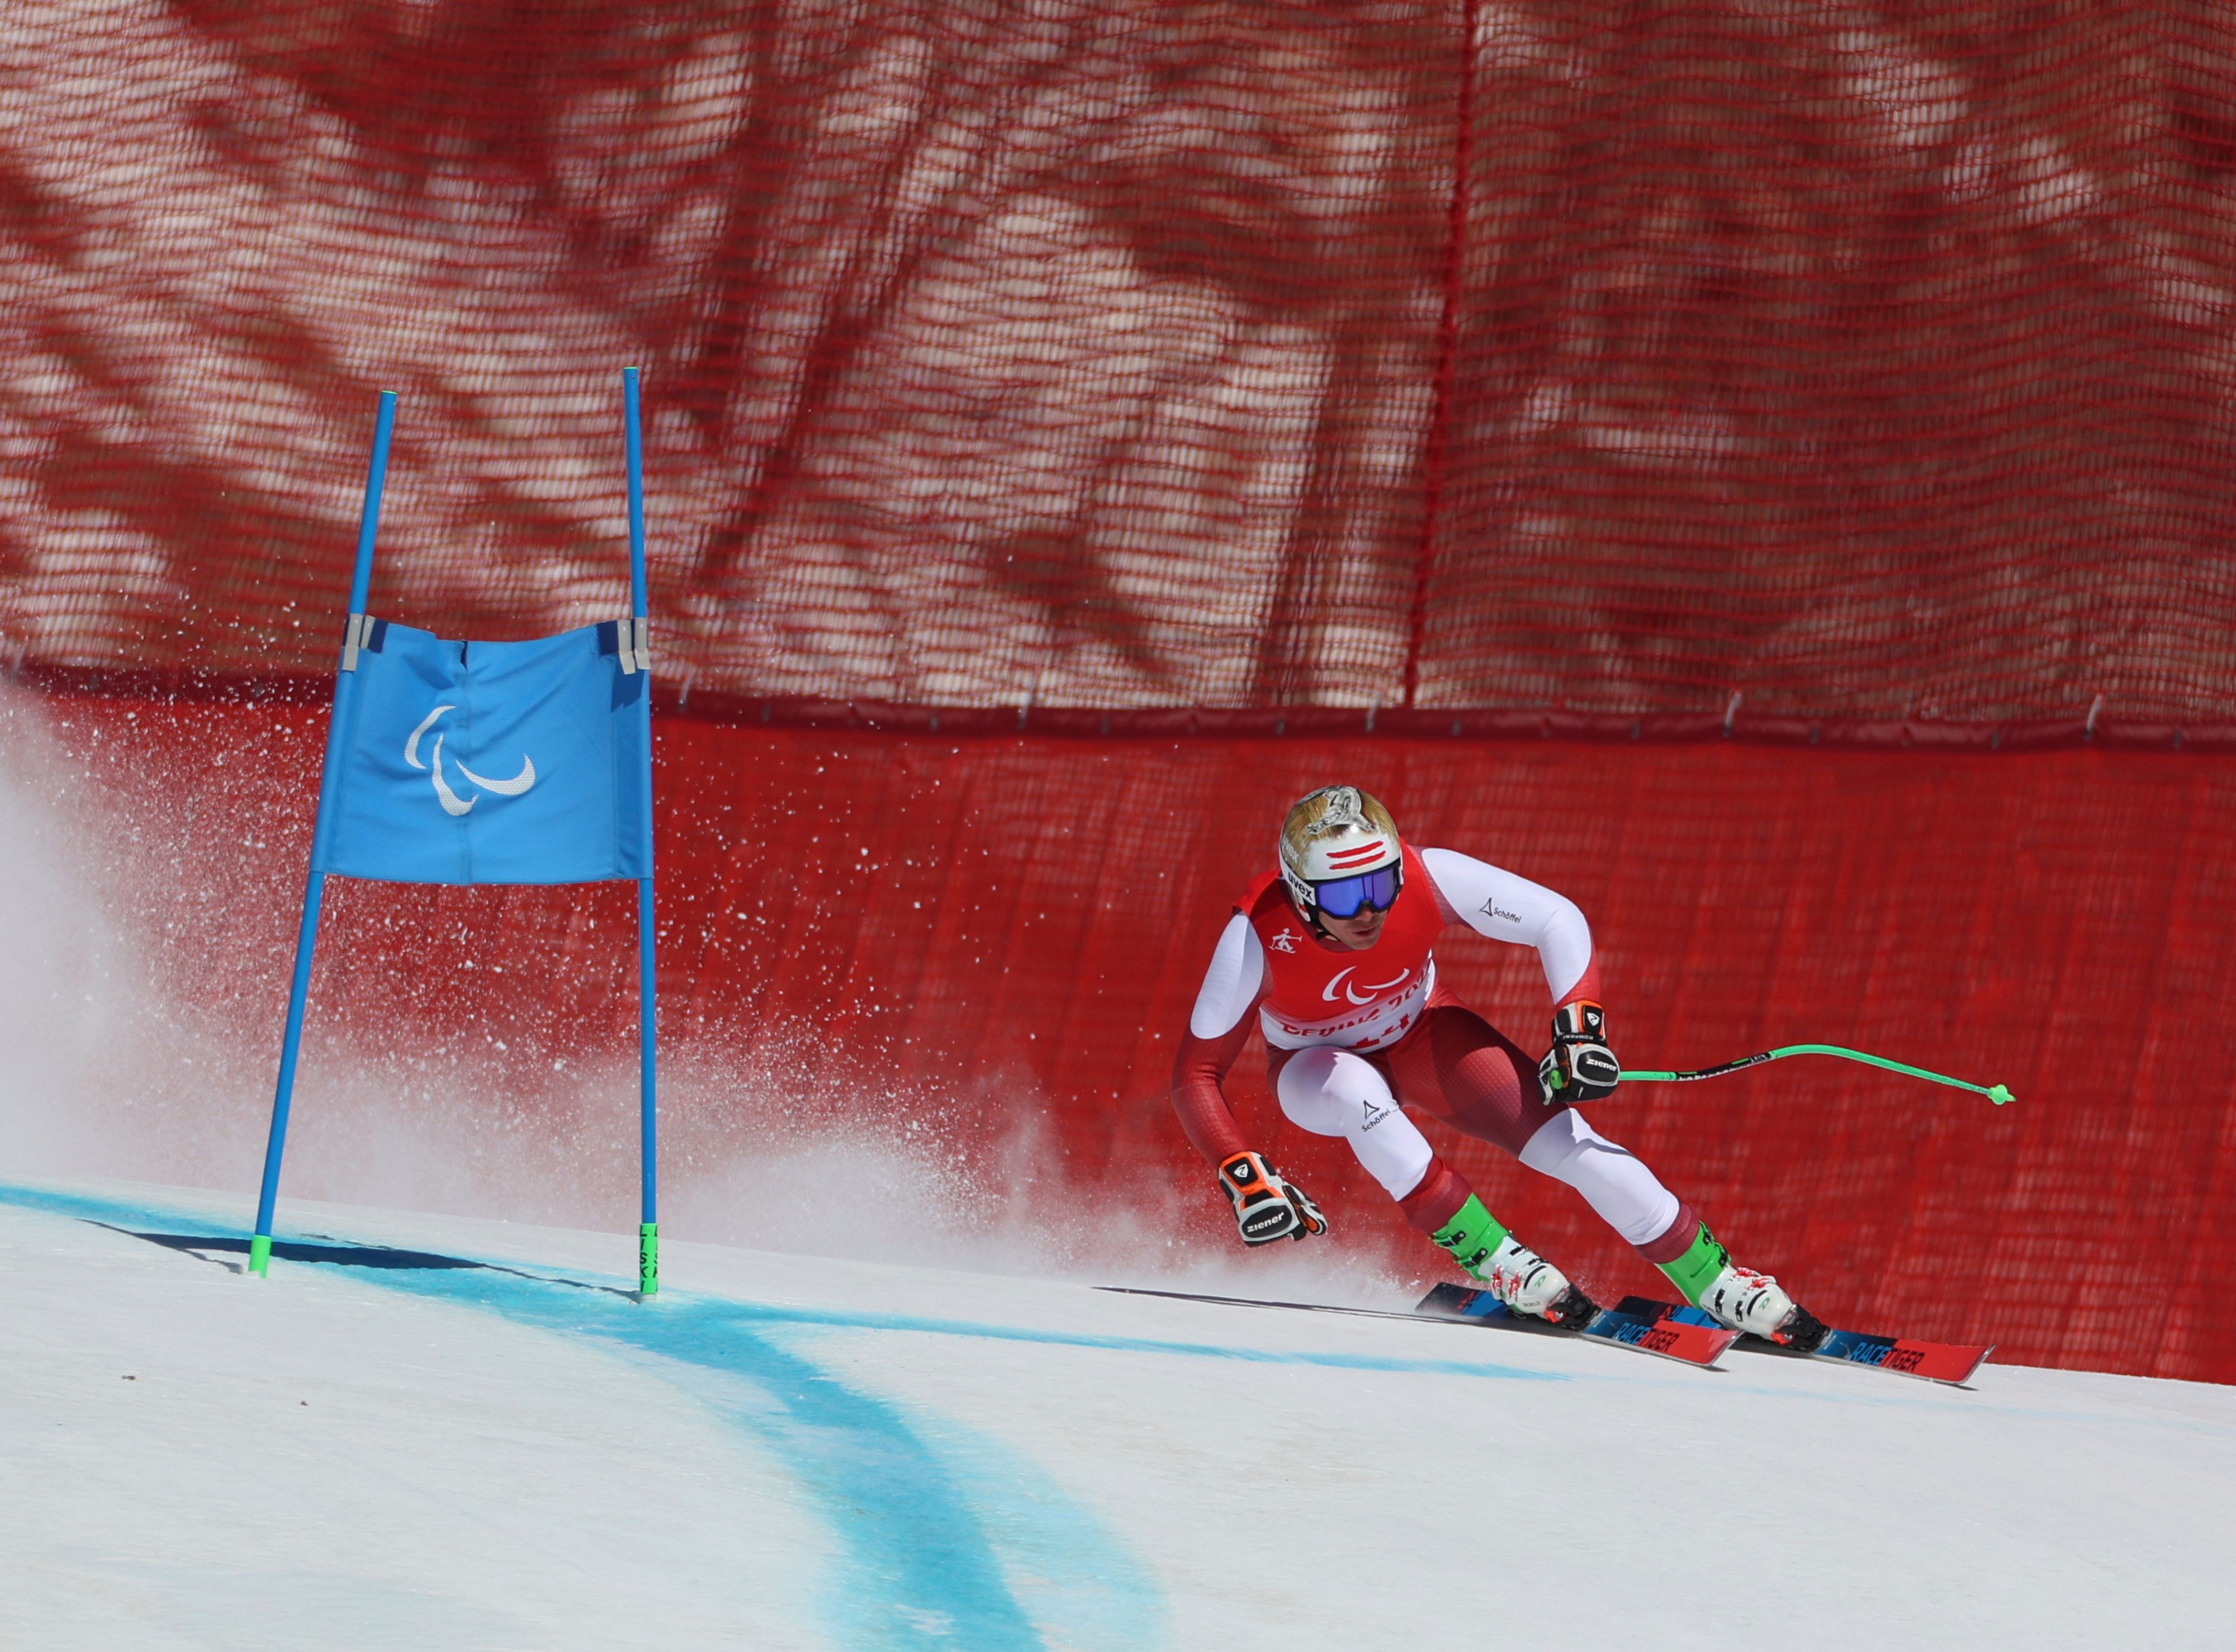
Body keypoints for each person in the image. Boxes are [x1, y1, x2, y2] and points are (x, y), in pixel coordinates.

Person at [1169, 784, 1826, 1345]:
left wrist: (1579, 1027)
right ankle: (1499, 1260)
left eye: (1379, 884)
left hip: (1424, 1033)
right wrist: (1242, 1172)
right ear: (1301, 893)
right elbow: (1195, 1077)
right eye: (1344, 899)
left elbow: (1555, 918)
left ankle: (1714, 1281)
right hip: (1314, 1068)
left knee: (1571, 1144)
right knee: (1357, 1091)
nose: (1368, 911)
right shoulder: (1256, 931)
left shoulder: (1427, 878)